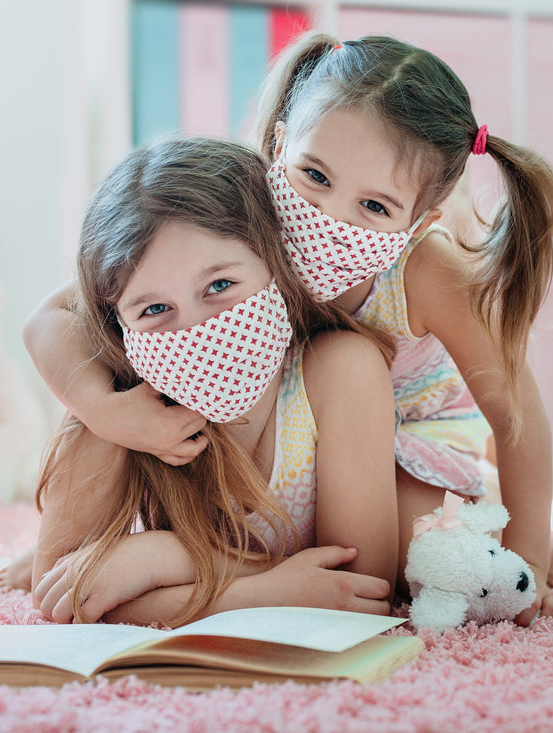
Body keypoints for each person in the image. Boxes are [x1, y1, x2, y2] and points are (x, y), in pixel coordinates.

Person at [247, 32, 553, 625]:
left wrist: (526, 554)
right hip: (296, 429)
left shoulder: (425, 270)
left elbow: (516, 415)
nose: (328, 216)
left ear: (420, 219)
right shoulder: (241, 218)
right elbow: (94, 308)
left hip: (413, 439)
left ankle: (484, 518)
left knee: (421, 562)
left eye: (375, 206)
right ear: (280, 145)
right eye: (315, 175)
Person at [23, 136, 398, 627]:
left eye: (220, 286)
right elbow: (64, 597)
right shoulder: (116, 412)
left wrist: (165, 559)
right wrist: (268, 591)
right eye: (155, 309)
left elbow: (362, 584)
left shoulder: (341, 371)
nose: (198, 328)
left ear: (277, 263)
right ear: (119, 325)